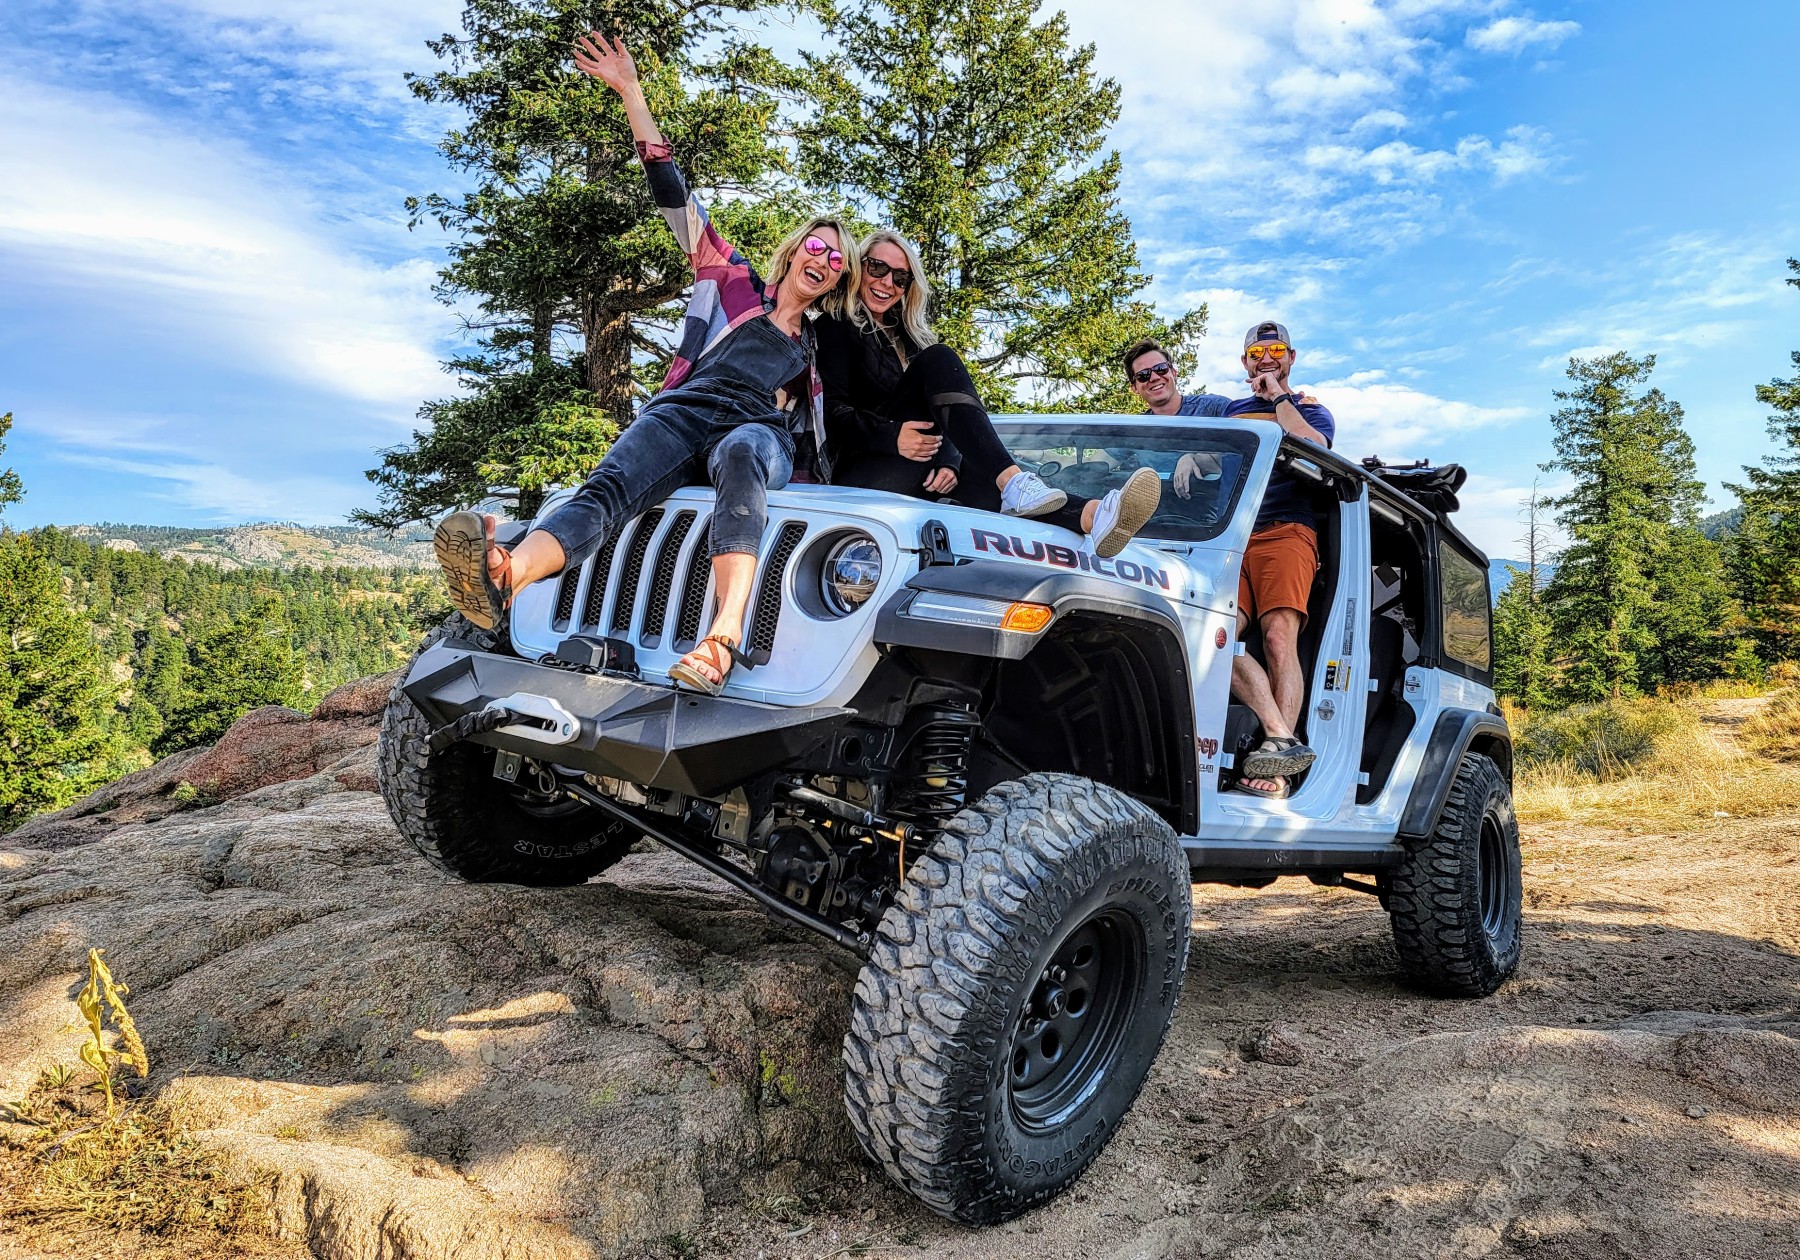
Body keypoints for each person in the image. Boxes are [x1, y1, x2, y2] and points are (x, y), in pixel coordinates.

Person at [431, 32, 856, 696]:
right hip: (684, 410)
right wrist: (631, 91)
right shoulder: (733, 279)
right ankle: (506, 575)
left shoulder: (821, 346)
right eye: (817, 247)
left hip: (756, 430)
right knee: (604, 489)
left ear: (838, 279)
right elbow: (672, 193)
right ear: (795, 248)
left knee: (742, 453)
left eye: (836, 260)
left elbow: (885, 367)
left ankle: (721, 640)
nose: (822, 260)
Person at [817, 228, 1163, 558]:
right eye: (877, 268)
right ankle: (1016, 484)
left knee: (986, 473)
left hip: (915, 469)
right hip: (861, 477)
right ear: (857, 267)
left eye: (900, 278)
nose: (887, 282)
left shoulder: (908, 340)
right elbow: (828, 412)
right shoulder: (835, 326)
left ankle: (1094, 516)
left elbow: (949, 414)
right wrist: (892, 437)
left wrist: (950, 461)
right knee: (940, 358)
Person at [1216, 321, 1336, 799]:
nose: (1266, 358)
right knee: (1213, 636)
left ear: (1291, 358)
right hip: (1232, 537)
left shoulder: (1310, 409)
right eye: (1256, 353)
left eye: (1276, 350)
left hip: (1287, 529)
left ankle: (1278, 771)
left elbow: (1316, 449)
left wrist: (1280, 399)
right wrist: (1190, 460)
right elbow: (1214, 456)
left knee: (1278, 637)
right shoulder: (1231, 411)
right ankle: (1282, 736)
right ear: (1244, 361)